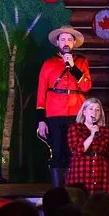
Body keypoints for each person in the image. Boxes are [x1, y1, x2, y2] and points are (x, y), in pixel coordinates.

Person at [36, 26, 92, 187]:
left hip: (77, 113)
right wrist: (41, 120)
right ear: (57, 43)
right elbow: (41, 94)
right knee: (58, 152)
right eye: (63, 39)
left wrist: (72, 67)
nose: (66, 42)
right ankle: (58, 191)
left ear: (74, 43)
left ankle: (74, 190)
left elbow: (86, 86)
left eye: (69, 39)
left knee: (75, 152)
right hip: (54, 113)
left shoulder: (81, 62)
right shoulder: (48, 64)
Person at [66, 97, 109, 196]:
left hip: (100, 175)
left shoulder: (106, 132)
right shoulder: (75, 128)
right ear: (84, 112)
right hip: (80, 174)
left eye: (97, 110)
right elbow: (76, 151)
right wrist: (92, 135)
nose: (94, 112)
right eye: (91, 109)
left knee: (99, 203)